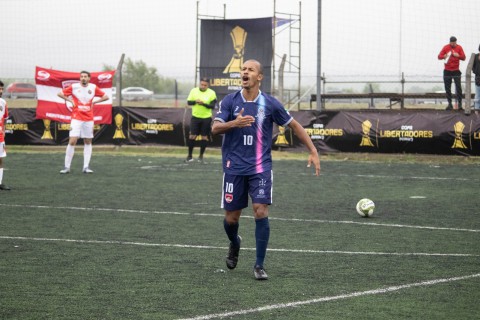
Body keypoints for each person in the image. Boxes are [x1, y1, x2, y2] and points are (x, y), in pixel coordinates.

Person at [211, 59, 320, 280]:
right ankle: (235, 242)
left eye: (250, 70)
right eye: (243, 69)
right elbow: (215, 127)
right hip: (234, 167)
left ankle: (259, 265)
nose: (245, 72)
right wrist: (234, 123)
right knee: (231, 219)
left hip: (260, 167)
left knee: (260, 210)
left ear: (259, 77)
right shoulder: (229, 101)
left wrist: (313, 150)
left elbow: (295, 126)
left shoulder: (270, 104)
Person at [57, 71, 109, 174]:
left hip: (89, 118)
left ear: (89, 78)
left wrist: (94, 102)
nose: (83, 78)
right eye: (81, 77)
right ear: (80, 78)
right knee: (72, 141)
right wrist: (70, 100)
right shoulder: (74, 87)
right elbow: (60, 94)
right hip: (76, 118)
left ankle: (86, 167)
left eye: (85, 77)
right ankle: (66, 167)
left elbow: (106, 97)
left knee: (88, 141)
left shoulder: (93, 87)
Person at [185, 78, 217, 163]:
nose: (203, 86)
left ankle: (201, 156)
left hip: (206, 118)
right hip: (195, 117)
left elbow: (213, 106)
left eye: (205, 85)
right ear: (200, 84)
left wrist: (204, 104)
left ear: (208, 85)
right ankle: (189, 156)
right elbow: (189, 102)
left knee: (204, 137)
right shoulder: (194, 91)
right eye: (201, 84)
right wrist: (195, 101)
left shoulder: (212, 93)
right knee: (192, 136)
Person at [438, 36, 466, 110]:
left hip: (456, 70)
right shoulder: (445, 47)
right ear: (450, 42)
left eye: (455, 43)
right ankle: (449, 104)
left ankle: (460, 104)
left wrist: (458, 56)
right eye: (452, 43)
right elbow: (439, 56)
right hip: (447, 70)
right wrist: (444, 56)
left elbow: (464, 57)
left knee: (458, 87)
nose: (454, 44)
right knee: (447, 88)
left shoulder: (459, 47)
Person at [0, 80, 11, 190]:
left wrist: (3, 131)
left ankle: (0, 183)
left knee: (0, 159)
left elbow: (5, 119)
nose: (1, 91)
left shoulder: (3, 102)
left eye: (2, 89)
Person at [472, 44, 480, 114]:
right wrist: (476, 72)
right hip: (478, 77)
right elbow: (473, 67)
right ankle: (477, 110)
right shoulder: (475, 56)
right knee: (477, 94)